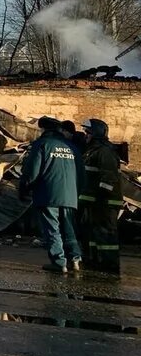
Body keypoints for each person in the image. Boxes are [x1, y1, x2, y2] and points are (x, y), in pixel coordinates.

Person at [19, 117, 83, 274]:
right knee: (69, 228)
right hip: (70, 196)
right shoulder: (72, 147)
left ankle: (59, 262)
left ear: (43, 129)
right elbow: (81, 174)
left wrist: (24, 189)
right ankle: (75, 260)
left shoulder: (42, 144)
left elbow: (32, 171)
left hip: (48, 194)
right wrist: (76, 192)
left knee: (52, 229)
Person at [78, 118, 124, 275]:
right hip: (94, 201)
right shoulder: (92, 150)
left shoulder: (105, 151)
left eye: (88, 132)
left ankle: (109, 263)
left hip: (105, 201)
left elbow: (108, 179)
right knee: (93, 233)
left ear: (96, 133)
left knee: (106, 233)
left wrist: (102, 197)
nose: (86, 135)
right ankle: (95, 259)